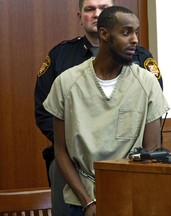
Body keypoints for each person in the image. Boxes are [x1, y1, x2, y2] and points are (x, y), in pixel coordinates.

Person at [34, 0, 163, 214]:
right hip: (75, 177)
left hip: (128, 187)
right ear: (105, 33)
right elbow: (54, 132)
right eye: (126, 32)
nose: (135, 39)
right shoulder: (65, 67)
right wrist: (77, 139)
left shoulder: (144, 73)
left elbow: (152, 149)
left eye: (103, 7)